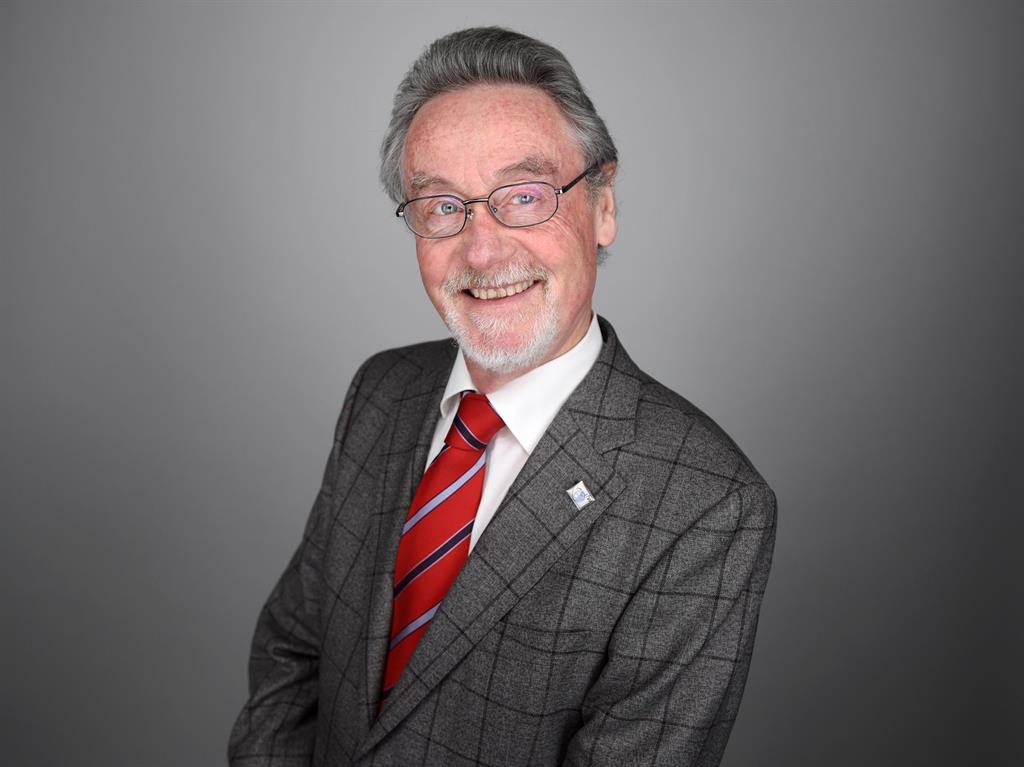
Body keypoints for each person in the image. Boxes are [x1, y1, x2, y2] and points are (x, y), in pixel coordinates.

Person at [229, 26, 776, 767]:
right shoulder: (382, 392)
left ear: (603, 206)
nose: (483, 251)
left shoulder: (705, 502)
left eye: (524, 196)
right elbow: (291, 657)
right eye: (442, 206)